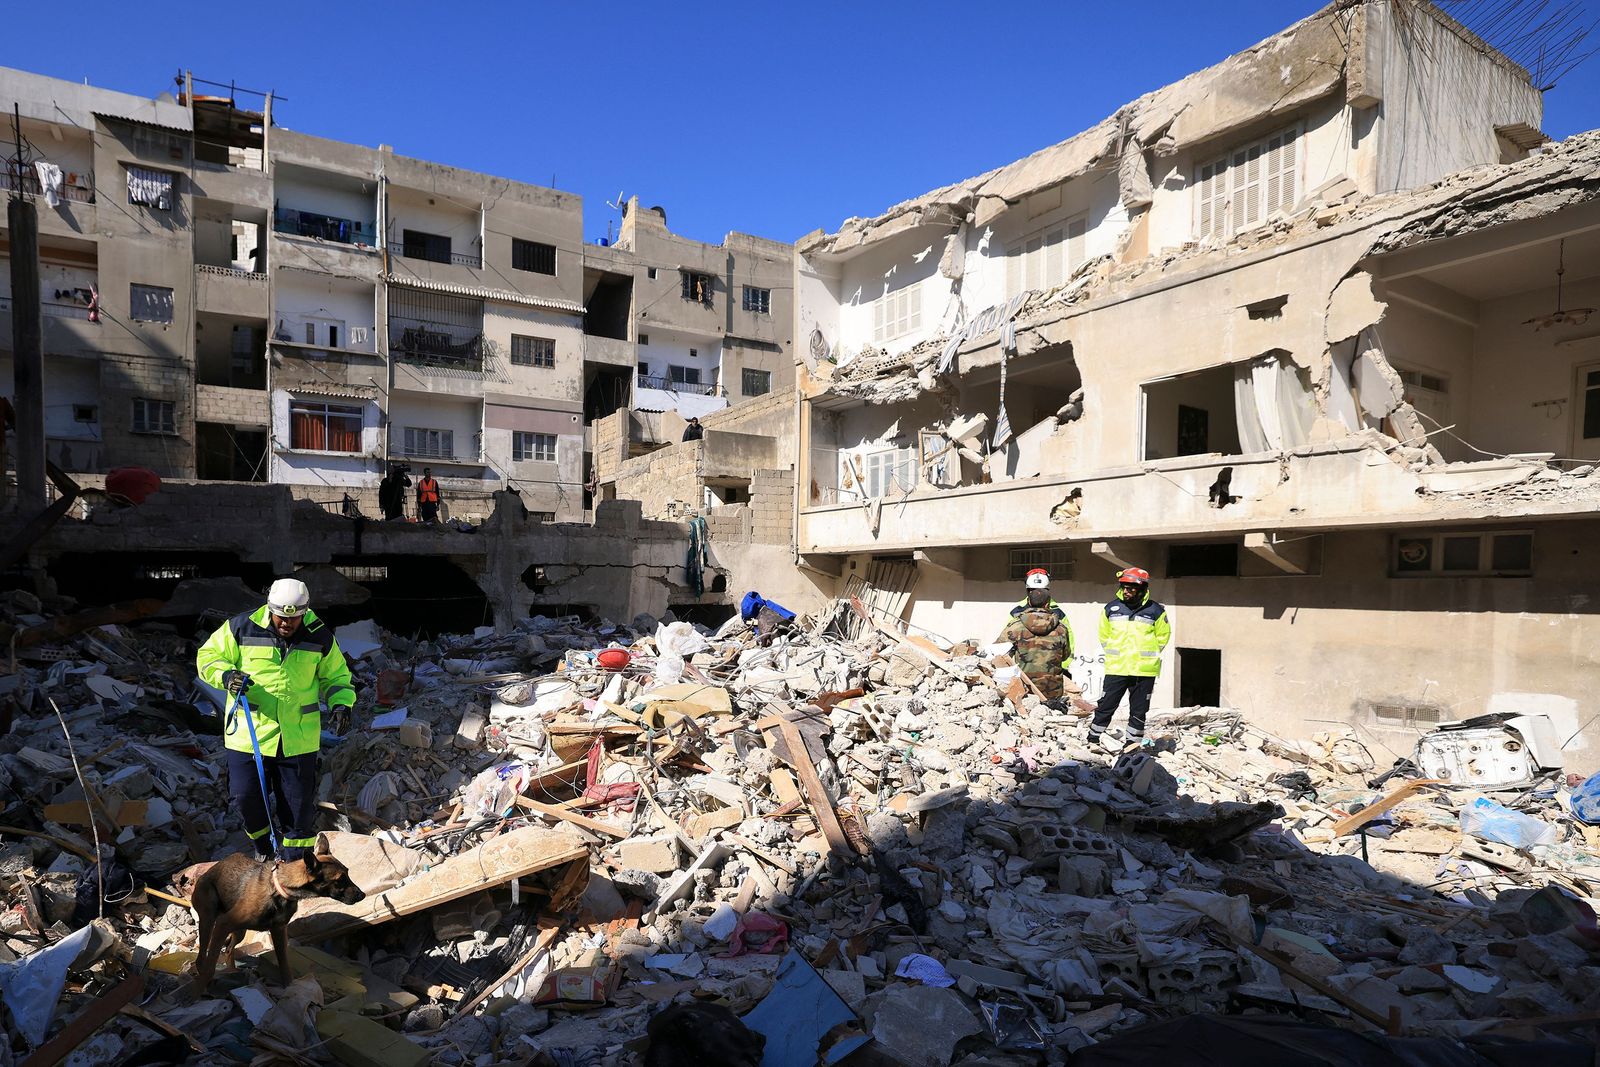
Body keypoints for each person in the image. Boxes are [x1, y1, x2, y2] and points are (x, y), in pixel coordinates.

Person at [197, 578, 356, 861]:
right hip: (250, 735)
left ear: (304, 612)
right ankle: (265, 851)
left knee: (298, 810)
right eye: (282, 617)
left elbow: (336, 677)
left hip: (298, 738)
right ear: (270, 608)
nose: (286, 623)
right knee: (246, 798)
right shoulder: (241, 627)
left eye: (294, 618)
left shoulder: (319, 635)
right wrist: (226, 676)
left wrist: (342, 703)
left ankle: (296, 867)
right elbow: (208, 656)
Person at [1088, 567, 1171, 751]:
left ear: (1141, 589)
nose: (1126, 591)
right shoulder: (1111, 608)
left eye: (1131, 588)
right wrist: (1115, 653)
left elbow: (1163, 637)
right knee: (1106, 705)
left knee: (1139, 711)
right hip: (1116, 668)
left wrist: (1146, 656)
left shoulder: (1156, 610)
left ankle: (1132, 746)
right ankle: (1093, 739)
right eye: (1124, 587)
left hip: (1144, 670)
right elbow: (1104, 635)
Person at [998, 568, 1079, 704]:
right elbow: (1066, 651)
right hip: (1053, 686)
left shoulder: (1016, 618)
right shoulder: (1060, 621)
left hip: (1024, 683)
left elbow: (1000, 649)